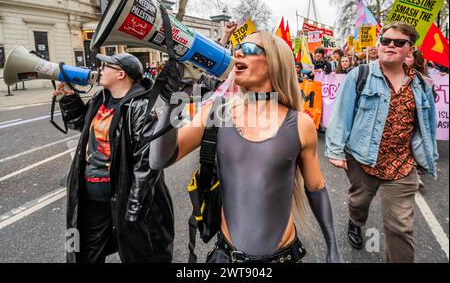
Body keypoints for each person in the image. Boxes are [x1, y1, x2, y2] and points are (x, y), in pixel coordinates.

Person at [150, 31, 344, 263]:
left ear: (274, 62)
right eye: (238, 48)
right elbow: (160, 160)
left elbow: (316, 188)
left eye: (250, 49)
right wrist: (173, 102)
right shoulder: (217, 113)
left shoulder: (301, 124)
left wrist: (333, 246)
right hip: (227, 259)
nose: (239, 52)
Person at [325, 22, 438, 263]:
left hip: (401, 166)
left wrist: (429, 157)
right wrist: (335, 150)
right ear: (379, 44)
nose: (390, 46)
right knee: (359, 203)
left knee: (400, 229)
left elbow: (428, 124)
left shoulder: (421, 84)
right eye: (386, 40)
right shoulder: (360, 75)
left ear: (410, 49)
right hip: (362, 161)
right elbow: (341, 114)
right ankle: (355, 222)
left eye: (399, 42)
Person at [55, 53, 174, 263]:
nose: (100, 69)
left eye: (106, 66)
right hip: (91, 192)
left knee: (139, 253)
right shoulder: (100, 99)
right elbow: (82, 126)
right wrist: (68, 98)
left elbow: (145, 162)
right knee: (86, 252)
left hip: (123, 195)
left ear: (121, 74)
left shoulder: (141, 107)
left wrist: (135, 206)